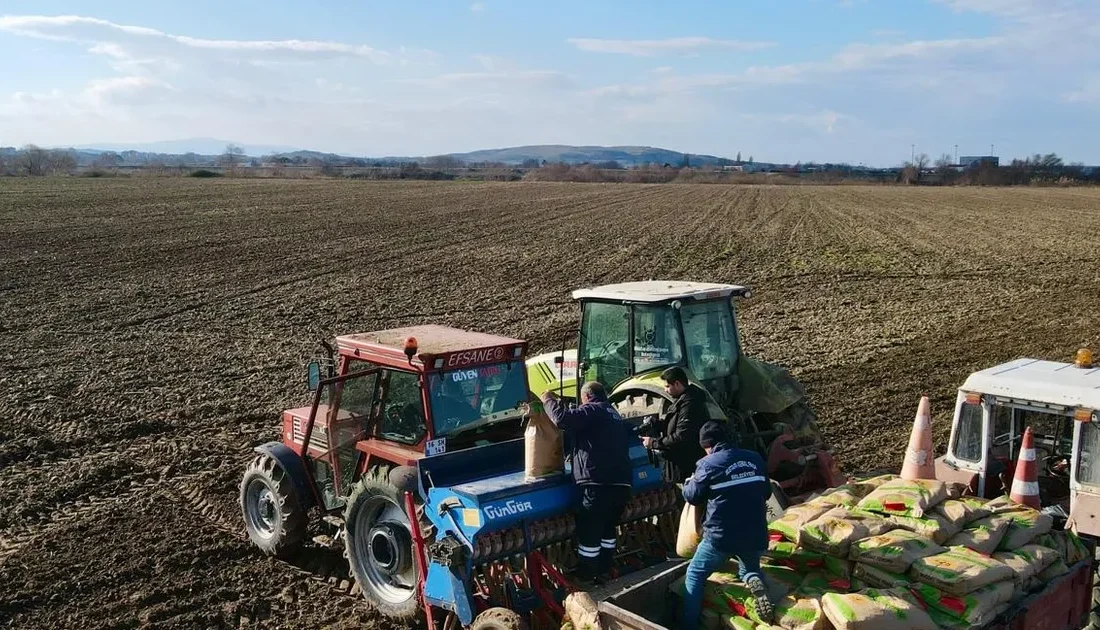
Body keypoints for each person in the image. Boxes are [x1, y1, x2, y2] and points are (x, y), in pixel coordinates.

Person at [681, 421, 774, 628]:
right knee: (748, 567)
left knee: (695, 574)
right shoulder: (754, 458)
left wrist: (688, 483)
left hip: (721, 537)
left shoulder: (708, 464)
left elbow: (693, 497)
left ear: (708, 444)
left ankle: (688, 625)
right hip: (755, 533)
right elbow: (766, 492)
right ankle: (752, 578)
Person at [542, 381, 632, 584]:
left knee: (590, 529)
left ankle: (587, 573)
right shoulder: (613, 413)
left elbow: (561, 419)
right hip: (622, 484)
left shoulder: (593, 410)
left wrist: (548, 400)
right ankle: (605, 569)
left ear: (587, 396)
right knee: (608, 530)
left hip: (598, 484)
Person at [641, 366, 709, 485]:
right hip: (684, 463)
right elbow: (677, 425)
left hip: (688, 464)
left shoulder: (690, 404)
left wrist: (654, 443)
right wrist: (657, 424)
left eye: (667, 386)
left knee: (692, 499)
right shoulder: (682, 401)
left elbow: (682, 435)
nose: (665, 390)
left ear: (677, 383)